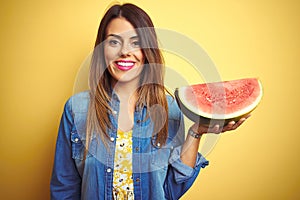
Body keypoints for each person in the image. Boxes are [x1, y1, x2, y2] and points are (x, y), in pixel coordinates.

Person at [50, 3, 249, 200]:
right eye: (113, 42)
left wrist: (196, 132)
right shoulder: (77, 109)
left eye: (135, 43)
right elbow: (64, 189)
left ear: (147, 51)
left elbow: (170, 192)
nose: (124, 52)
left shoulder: (168, 109)